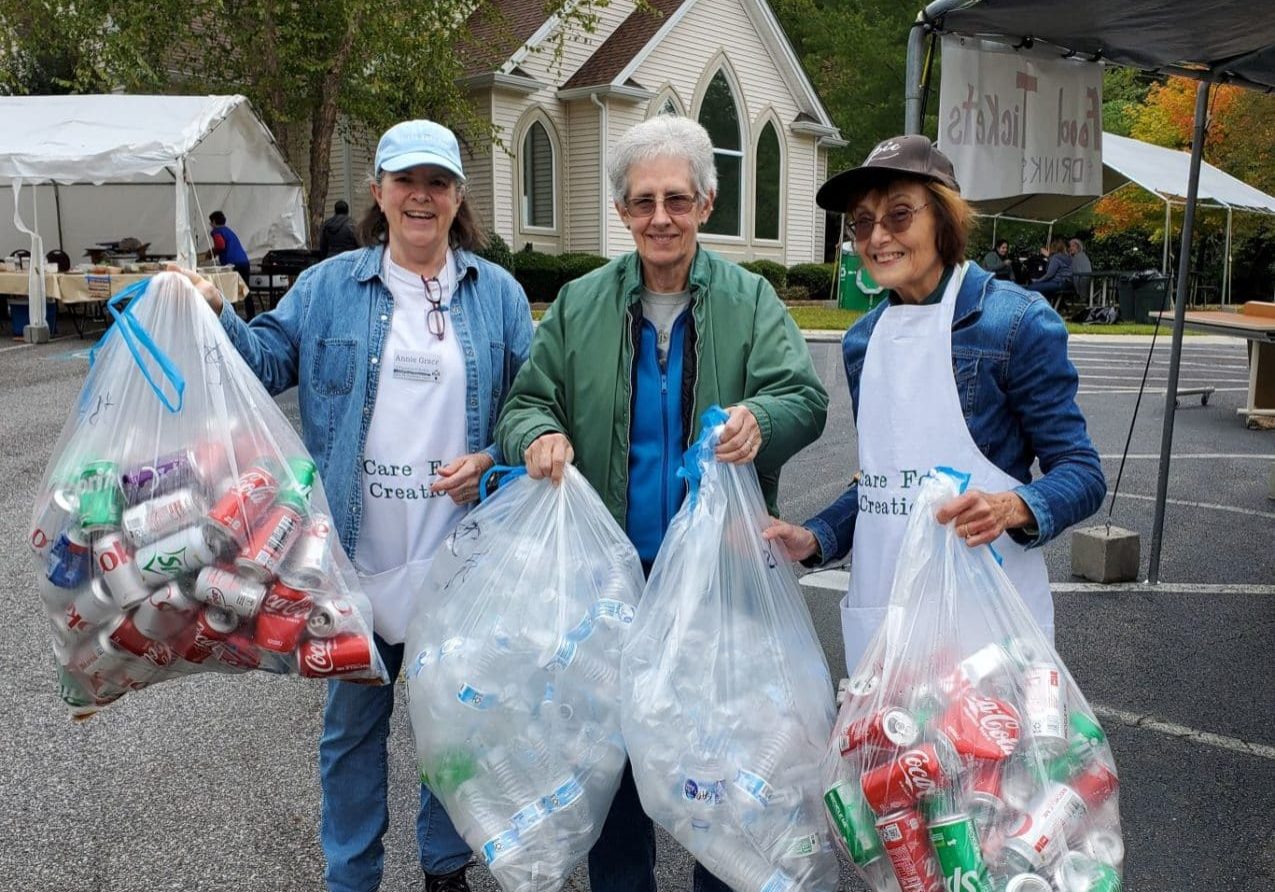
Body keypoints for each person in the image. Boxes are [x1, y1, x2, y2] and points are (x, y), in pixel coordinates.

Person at [178, 119, 533, 892]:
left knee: (453, 726)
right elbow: (268, 362)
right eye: (405, 181)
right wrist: (212, 311)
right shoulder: (330, 287)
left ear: (456, 197)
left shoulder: (497, 295)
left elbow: (531, 404)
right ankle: (352, 876)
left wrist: (496, 462)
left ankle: (444, 866)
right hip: (353, 560)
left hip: (457, 558)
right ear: (378, 190)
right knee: (350, 731)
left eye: (436, 182)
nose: (420, 197)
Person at [494, 115, 828, 892]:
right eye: (641, 201)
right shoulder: (579, 306)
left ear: (706, 203)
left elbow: (803, 398)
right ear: (621, 212)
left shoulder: (749, 300)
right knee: (614, 776)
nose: (659, 218)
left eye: (676, 199)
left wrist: (762, 420)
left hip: (717, 584)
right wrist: (537, 436)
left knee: (721, 765)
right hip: (606, 589)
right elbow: (522, 407)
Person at [763, 134, 1106, 675]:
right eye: (862, 221)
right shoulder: (862, 342)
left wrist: (1012, 507)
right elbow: (885, 484)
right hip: (886, 617)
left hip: (983, 624)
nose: (877, 237)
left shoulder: (1015, 323)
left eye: (899, 215)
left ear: (944, 220)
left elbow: (1082, 473)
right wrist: (815, 537)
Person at [208, 210, 252, 286]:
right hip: (244, 262)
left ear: (214, 222)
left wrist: (213, 252)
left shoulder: (217, 231)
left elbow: (220, 246)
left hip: (232, 264)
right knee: (244, 290)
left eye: (210, 222)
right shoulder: (228, 231)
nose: (210, 225)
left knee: (233, 290)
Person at [1031, 237, 1073, 302]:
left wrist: (1037, 281)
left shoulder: (1056, 257)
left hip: (1058, 283)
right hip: (1067, 283)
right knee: (1045, 291)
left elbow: (1049, 274)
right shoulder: (1067, 257)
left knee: (1032, 288)